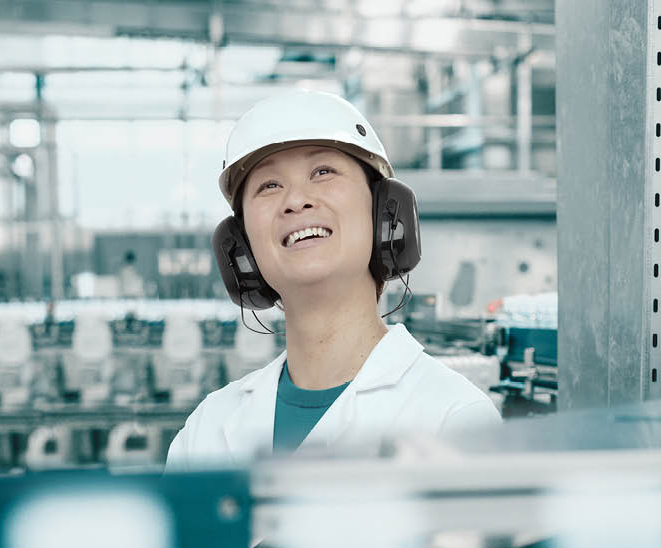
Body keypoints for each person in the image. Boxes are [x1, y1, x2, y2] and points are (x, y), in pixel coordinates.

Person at [165, 90, 500, 471]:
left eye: (323, 172)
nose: (296, 200)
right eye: (269, 186)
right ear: (240, 248)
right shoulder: (205, 432)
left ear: (386, 217)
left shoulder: (454, 419)